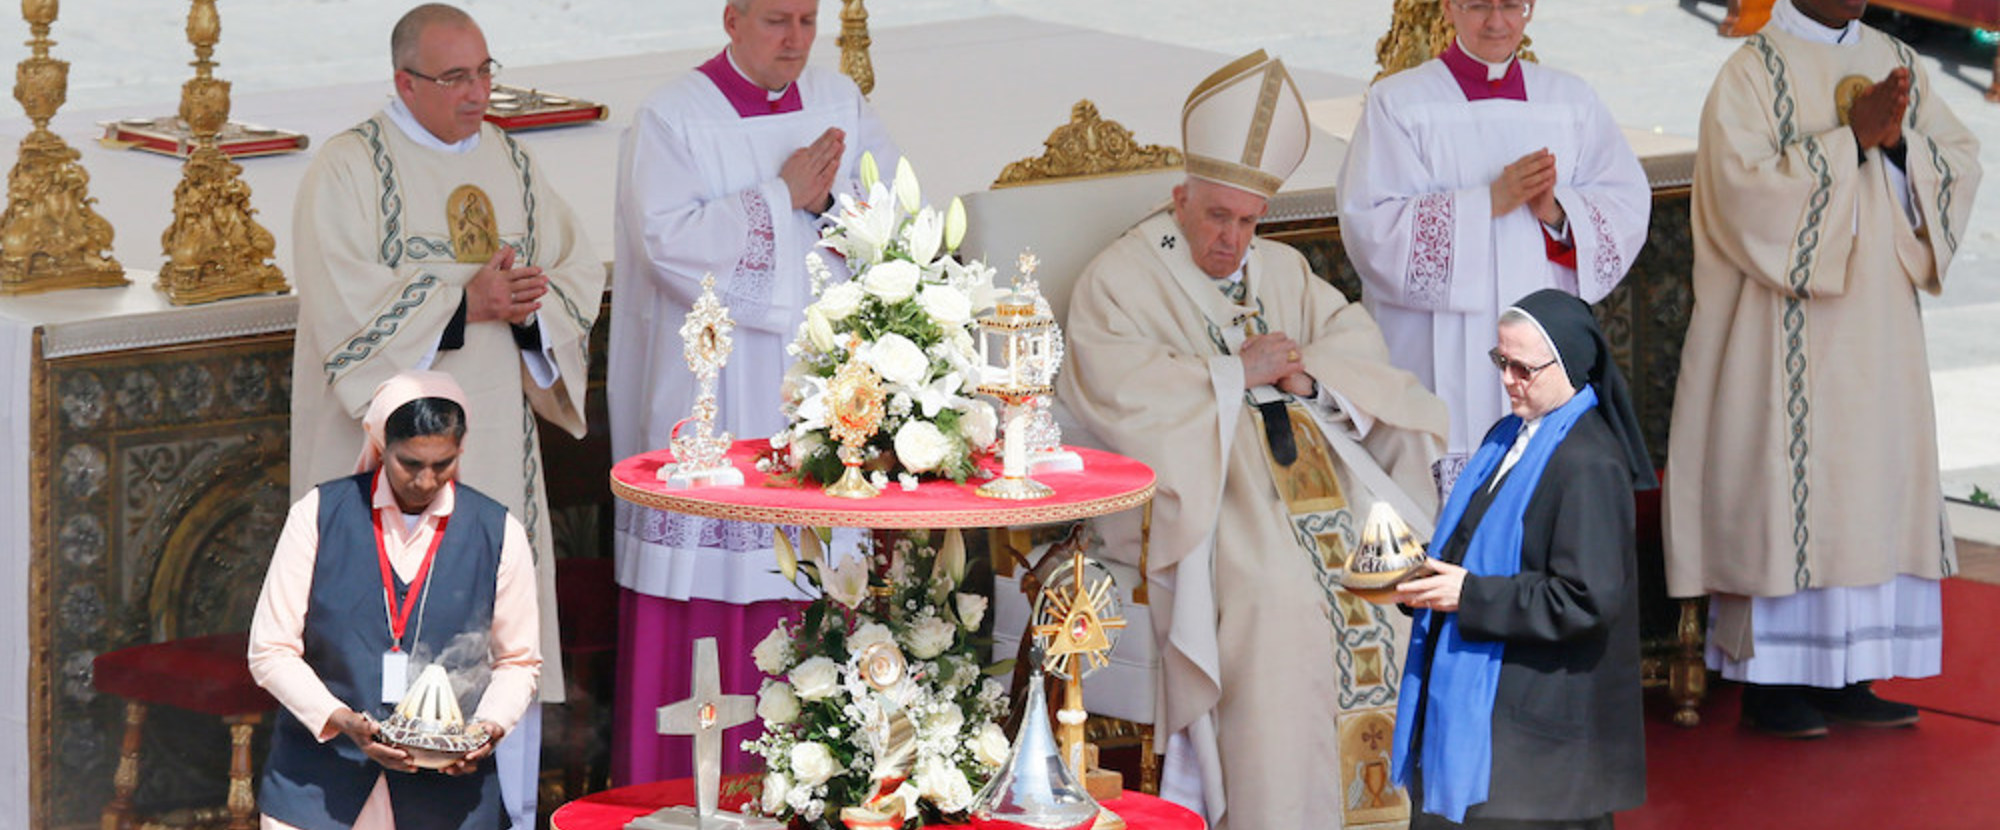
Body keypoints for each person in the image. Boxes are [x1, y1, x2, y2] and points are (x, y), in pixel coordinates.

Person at [1060, 50, 1450, 830]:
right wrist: (1232, 373)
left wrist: (1310, 376)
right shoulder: (1120, 279)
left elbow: (1351, 343)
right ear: (1181, 198)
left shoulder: (1281, 268)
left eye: (1247, 221)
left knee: (1393, 580)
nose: (1232, 240)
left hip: (1317, 480)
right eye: (1216, 217)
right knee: (1280, 596)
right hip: (1214, 493)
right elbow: (1113, 390)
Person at [288, 5, 600, 823]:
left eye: (486, 73)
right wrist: (463, 303)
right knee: (389, 668)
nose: (477, 93)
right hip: (391, 470)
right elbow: (343, 307)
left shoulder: (512, 162)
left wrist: (530, 306)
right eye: (455, 77)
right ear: (405, 82)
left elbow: (575, 267)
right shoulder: (349, 169)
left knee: (497, 649)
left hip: (496, 453)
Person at [1664, 0, 1981, 739]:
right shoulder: (1750, 73)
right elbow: (1744, 198)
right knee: (1790, 483)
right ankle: (1773, 686)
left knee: (1869, 486)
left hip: (1878, 328)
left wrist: (1899, 147)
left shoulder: (1897, 61)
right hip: (1782, 330)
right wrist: (1851, 141)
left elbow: (1957, 160)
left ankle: (1851, 673)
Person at [607, 0, 898, 783]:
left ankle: (825, 783)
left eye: (807, 20)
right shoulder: (673, 117)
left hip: (821, 389)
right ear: (732, 18)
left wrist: (833, 199)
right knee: (717, 587)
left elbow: (894, 214)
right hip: (718, 384)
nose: (796, 40)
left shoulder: (841, 103)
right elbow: (667, 244)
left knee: (819, 580)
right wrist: (780, 198)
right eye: (777, 20)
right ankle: (691, 790)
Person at [1337, 0, 1651, 497]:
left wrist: (1557, 212)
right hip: (1432, 353)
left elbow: (1625, 206)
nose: (1496, 21)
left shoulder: (1570, 102)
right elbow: (1372, 228)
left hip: (1539, 337)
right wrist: (1487, 202)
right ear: (1449, 8)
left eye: (1511, 5)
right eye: (1478, 5)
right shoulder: (1399, 103)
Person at [1393, 289, 1654, 829]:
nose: (1508, 379)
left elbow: (1585, 598)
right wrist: (1414, 574)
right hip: (1493, 725)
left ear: (1570, 365)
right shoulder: (1509, 436)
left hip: (1540, 745)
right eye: (1501, 361)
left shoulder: (1587, 462)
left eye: (1523, 368)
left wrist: (1467, 596)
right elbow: (1468, 545)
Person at [251, 371, 541, 830]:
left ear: (460, 451)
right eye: (410, 463)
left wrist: (488, 729)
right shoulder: (318, 515)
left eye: (442, 464)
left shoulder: (498, 531)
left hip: (448, 793)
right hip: (321, 782)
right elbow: (270, 650)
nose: (426, 481)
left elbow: (518, 662)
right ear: (382, 445)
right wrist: (342, 720)